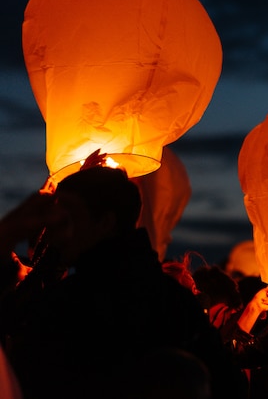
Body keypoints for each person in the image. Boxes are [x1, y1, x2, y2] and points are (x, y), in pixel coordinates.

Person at [0, 166, 247, 399]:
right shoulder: (173, 299)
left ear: (105, 223)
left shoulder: (79, 303)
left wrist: (10, 232)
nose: (54, 227)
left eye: (69, 216)